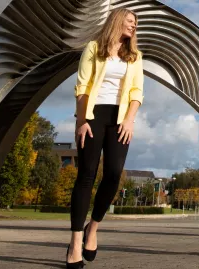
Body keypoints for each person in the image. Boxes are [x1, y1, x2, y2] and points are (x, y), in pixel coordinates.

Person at [65, 7, 144, 269]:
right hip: (93, 115)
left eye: (135, 23)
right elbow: (82, 85)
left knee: (113, 174)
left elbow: (136, 91)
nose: (133, 25)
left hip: (120, 119)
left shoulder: (134, 56)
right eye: (130, 21)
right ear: (117, 21)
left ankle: (93, 228)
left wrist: (130, 120)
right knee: (86, 175)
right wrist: (82, 120)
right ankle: (75, 243)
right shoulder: (93, 48)